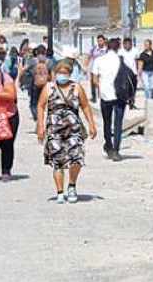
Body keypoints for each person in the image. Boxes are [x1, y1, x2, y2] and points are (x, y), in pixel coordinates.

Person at [37, 60, 98, 203]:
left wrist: (91, 124)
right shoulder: (49, 88)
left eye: (65, 73)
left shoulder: (77, 88)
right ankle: (59, 192)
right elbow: (40, 106)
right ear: (55, 73)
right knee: (57, 161)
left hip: (73, 130)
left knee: (77, 157)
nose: (62, 75)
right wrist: (40, 127)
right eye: (60, 73)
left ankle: (72, 185)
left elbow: (85, 106)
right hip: (54, 130)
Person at [91, 38, 126, 161]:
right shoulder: (122, 60)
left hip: (105, 95)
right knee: (118, 123)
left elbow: (94, 79)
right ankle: (116, 149)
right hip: (120, 94)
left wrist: (100, 89)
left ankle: (108, 145)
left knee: (107, 121)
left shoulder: (99, 60)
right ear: (118, 47)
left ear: (106, 46)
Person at [22, 45, 54, 120]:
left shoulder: (33, 60)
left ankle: (36, 117)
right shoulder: (49, 61)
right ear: (45, 51)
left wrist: (21, 80)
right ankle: (42, 115)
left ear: (36, 51)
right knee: (44, 102)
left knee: (33, 103)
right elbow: (53, 74)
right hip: (46, 84)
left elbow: (24, 69)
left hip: (35, 84)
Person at [88, 34, 108, 103]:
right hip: (94, 68)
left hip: (103, 69)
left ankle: (101, 96)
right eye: (98, 41)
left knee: (102, 83)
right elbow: (89, 57)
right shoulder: (94, 48)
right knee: (93, 83)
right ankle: (94, 98)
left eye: (101, 40)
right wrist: (85, 65)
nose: (100, 42)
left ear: (104, 41)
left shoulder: (107, 49)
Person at [119, 38, 138, 108]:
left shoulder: (135, 51)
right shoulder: (120, 52)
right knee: (126, 88)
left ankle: (131, 101)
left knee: (133, 88)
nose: (127, 46)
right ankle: (126, 100)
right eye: (125, 44)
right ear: (123, 45)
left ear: (131, 44)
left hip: (134, 72)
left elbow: (137, 61)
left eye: (129, 44)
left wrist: (139, 71)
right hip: (124, 74)